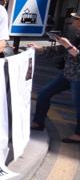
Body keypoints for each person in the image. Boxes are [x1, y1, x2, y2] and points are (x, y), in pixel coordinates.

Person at [32, 12, 80, 144]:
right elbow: (62, 50)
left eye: (76, 19)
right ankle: (38, 122)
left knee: (78, 105)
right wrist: (40, 49)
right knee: (44, 93)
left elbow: (75, 54)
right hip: (68, 74)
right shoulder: (76, 34)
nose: (72, 20)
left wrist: (68, 45)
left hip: (78, 78)